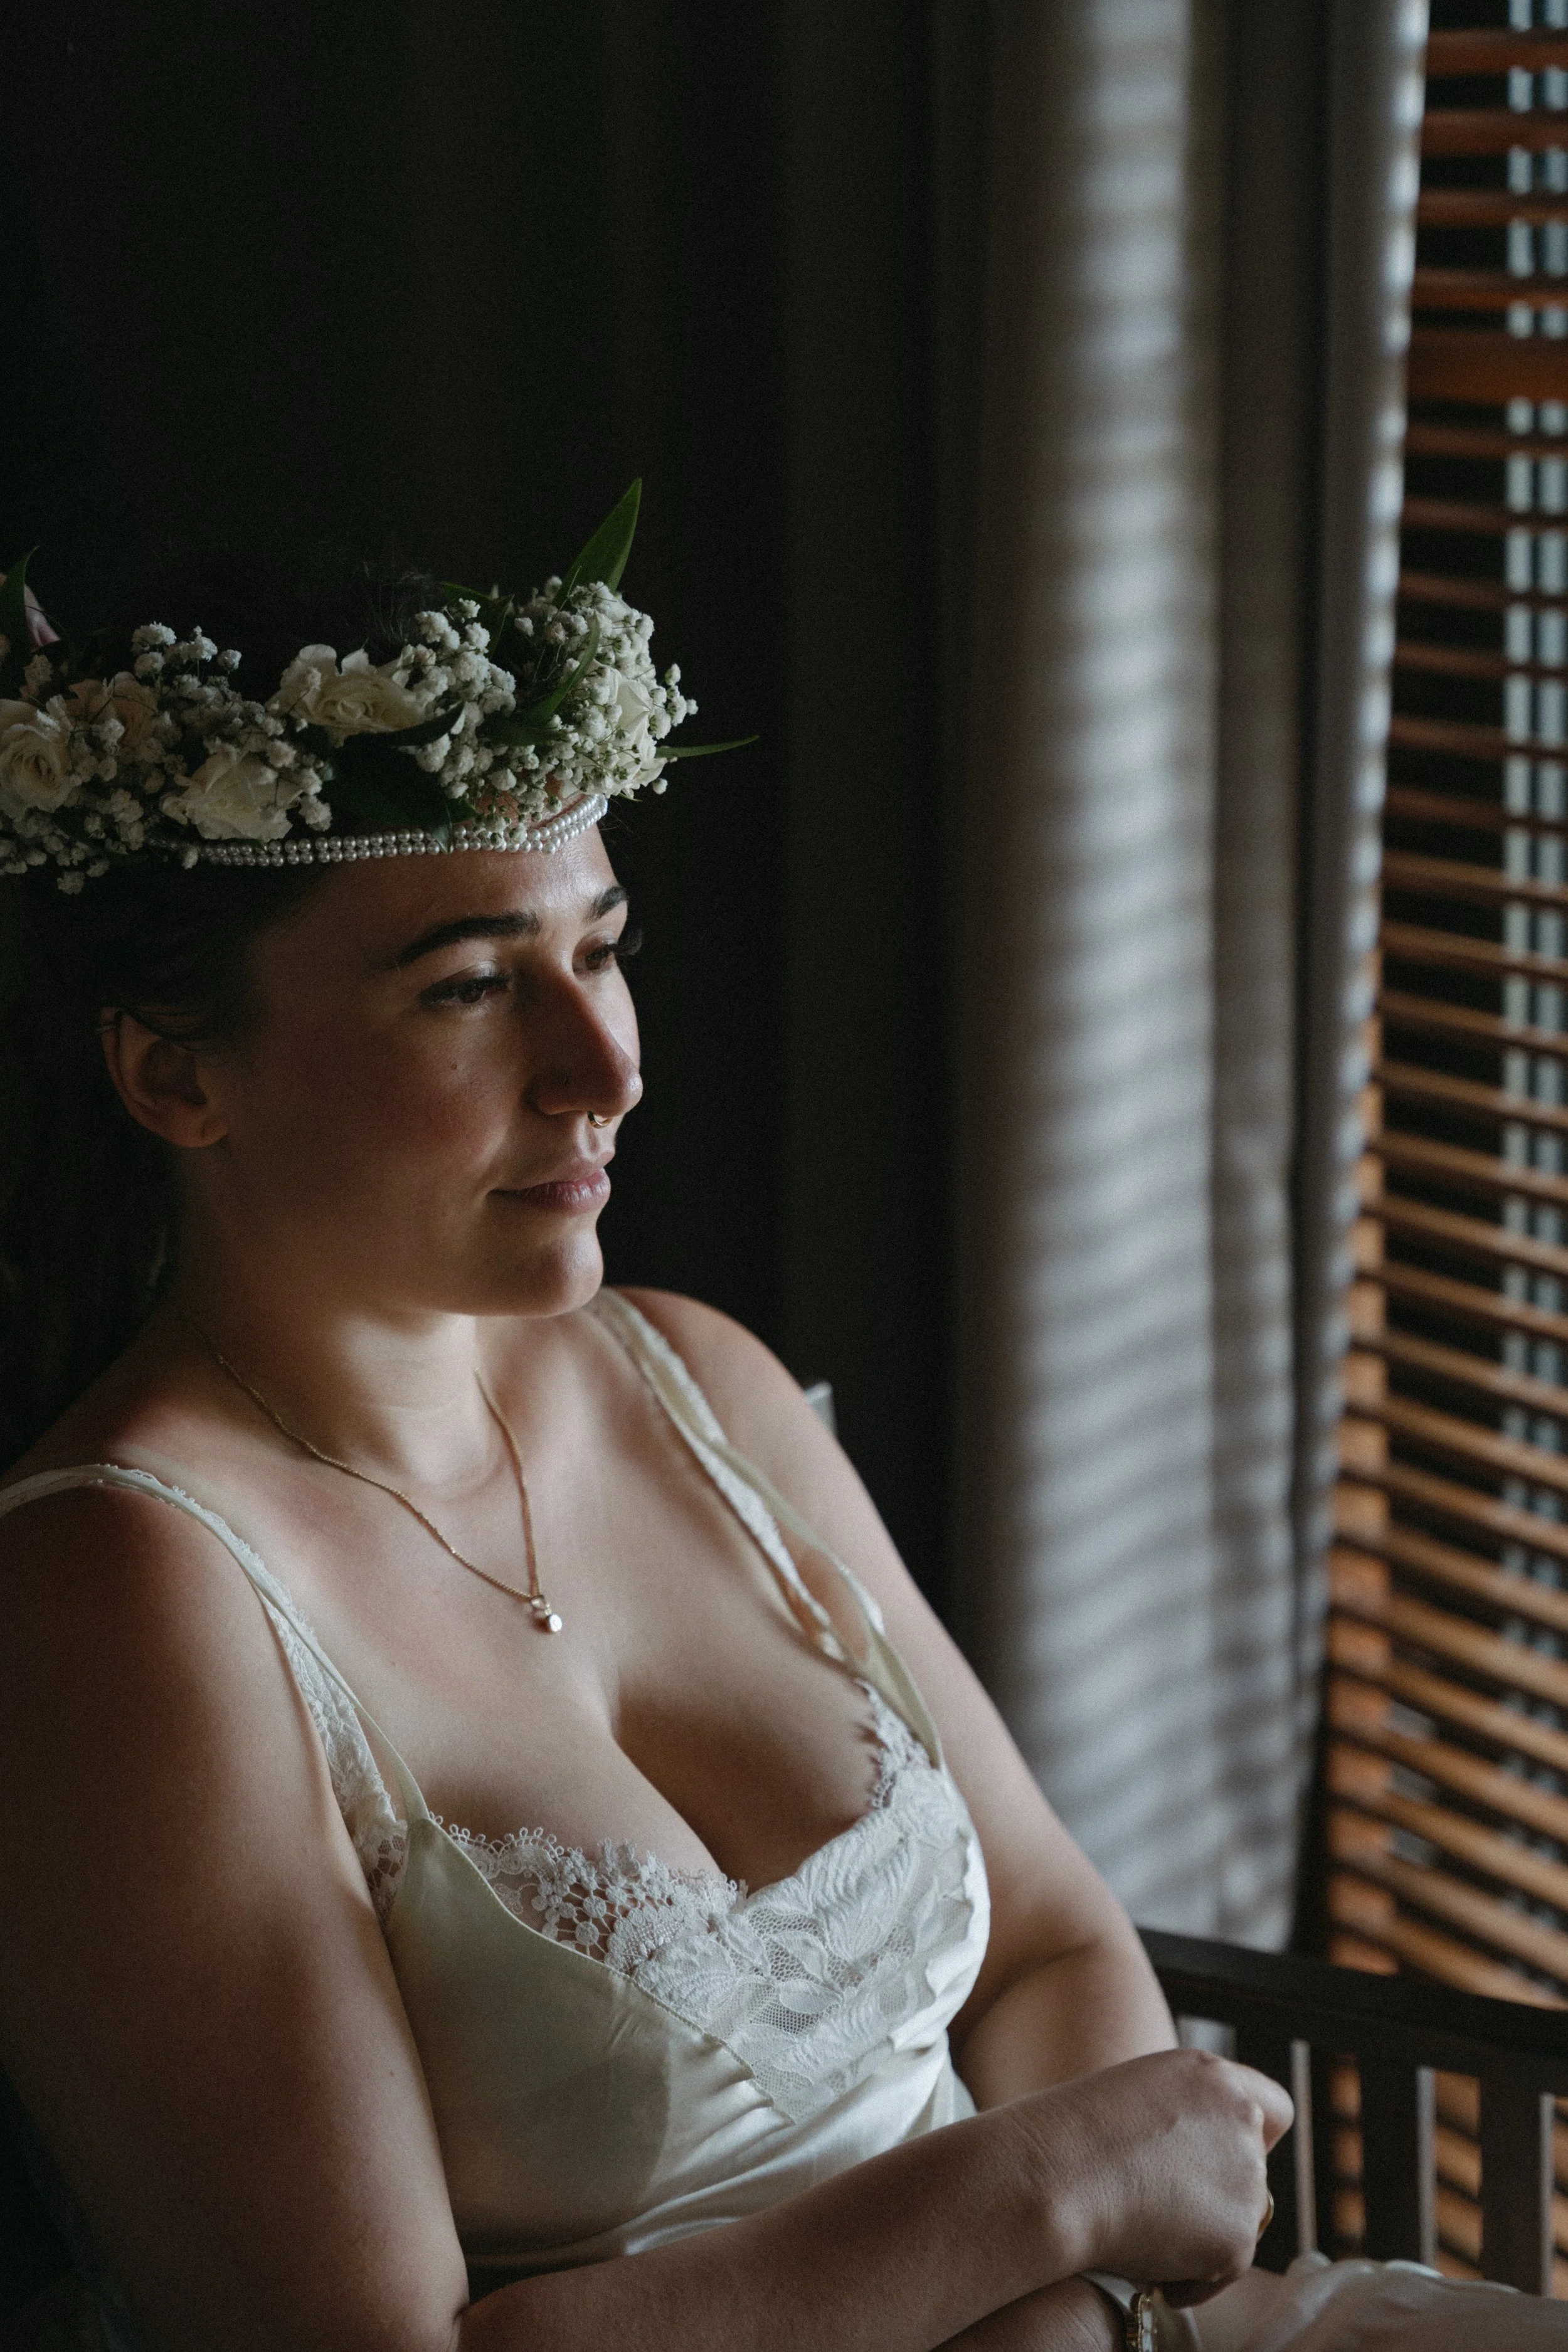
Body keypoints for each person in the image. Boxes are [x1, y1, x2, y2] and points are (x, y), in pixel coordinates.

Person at [0, 507, 1554, 2352]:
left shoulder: (690, 1375)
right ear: (174, 1070)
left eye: (603, 948)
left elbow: (1052, 1944)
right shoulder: (119, 1591)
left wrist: (1089, 2305)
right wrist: (1045, 2200)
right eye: (469, 986)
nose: (605, 1066)